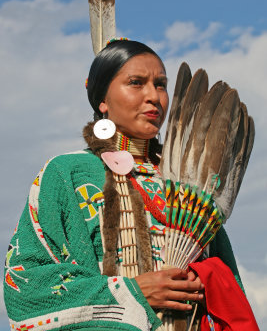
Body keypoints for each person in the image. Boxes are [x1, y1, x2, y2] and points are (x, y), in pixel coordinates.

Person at [4, 40, 250, 331]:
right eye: (136, 83)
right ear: (102, 100)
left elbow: (230, 288)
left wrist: (203, 278)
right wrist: (133, 292)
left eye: (160, 84)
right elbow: (27, 285)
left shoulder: (187, 184)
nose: (153, 96)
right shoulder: (67, 174)